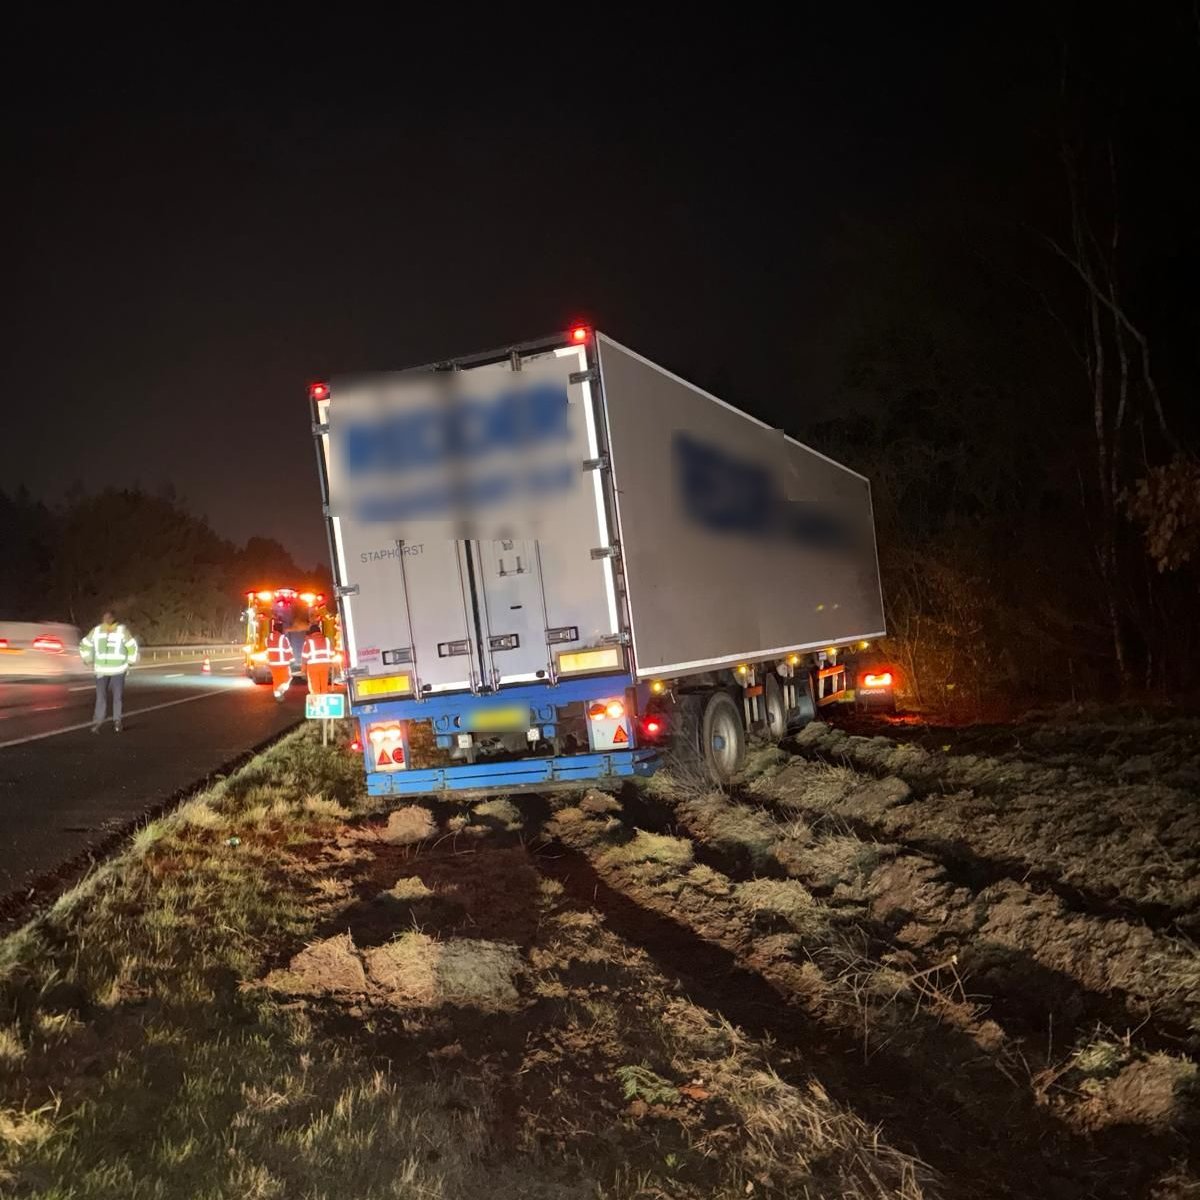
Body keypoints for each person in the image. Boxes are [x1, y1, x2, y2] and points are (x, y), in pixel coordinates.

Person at [80, 610, 139, 733]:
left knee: (117, 697)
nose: (107, 619)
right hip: (101, 670)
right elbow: (85, 644)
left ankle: (117, 721)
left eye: (109, 617)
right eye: (105, 617)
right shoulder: (96, 631)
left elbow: (132, 646)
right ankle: (98, 722)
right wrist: (87, 659)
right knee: (101, 697)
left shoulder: (122, 631)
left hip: (118, 670)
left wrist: (130, 662)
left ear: (113, 619)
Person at [301, 622, 335, 695]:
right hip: (325, 665)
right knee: (324, 683)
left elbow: (304, 657)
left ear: (311, 632)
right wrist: (331, 663)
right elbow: (332, 653)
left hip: (313, 666)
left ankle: (316, 698)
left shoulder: (308, 641)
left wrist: (303, 669)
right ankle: (324, 696)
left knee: (314, 684)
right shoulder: (326, 640)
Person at [266, 620, 295, 701]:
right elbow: (288, 650)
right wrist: (292, 660)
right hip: (283, 663)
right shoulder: (283, 639)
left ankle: (277, 695)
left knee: (276, 680)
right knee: (288, 678)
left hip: (272, 664)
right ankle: (281, 690)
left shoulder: (268, 638)